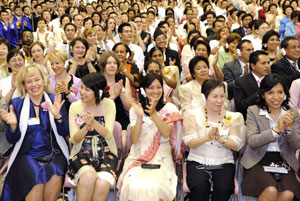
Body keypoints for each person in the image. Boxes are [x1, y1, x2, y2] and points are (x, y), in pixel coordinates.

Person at [0, 64, 69, 201]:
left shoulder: (54, 100)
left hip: (54, 153)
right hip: (27, 154)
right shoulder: (16, 104)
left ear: (43, 81)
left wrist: (58, 117)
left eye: (37, 80)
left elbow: (64, 133)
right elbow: (12, 139)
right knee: (34, 175)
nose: (34, 84)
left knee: (55, 172)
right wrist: (13, 126)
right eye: (29, 81)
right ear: (24, 85)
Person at [117, 73, 183, 201]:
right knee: (133, 185)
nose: (155, 91)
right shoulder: (136, 109)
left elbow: (166, 133)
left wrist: (154, 114)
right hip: (138, 153)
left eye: (158, 87)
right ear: (144, 90)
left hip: (161, 155)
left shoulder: (170, 108)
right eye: (151, 88)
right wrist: (141, 116)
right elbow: (135, 140)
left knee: (156, 186)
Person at [182, 78, 245, 201]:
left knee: (223, 188)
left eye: (222, 96)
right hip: (197, 160)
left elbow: (236, 145)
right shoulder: (193, 115)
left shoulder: (231, 117)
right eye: (214, 96)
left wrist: (221, 139)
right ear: (204, 97)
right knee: (199, 187)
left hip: (224, 161)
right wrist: (207, 137)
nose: (219, 101)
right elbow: (190, 142)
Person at [240, 73, 300, 201]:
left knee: (288, 193)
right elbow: (252, 141)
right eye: (270, 93)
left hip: (284, 160)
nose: (276, 97)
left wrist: (289, 129)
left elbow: (296, 145)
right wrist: (276, 130)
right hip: (258, 160)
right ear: (263, 94)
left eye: (280, 92)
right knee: (271, 190)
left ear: (285, 94)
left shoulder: (293, 113)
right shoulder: (253, 111)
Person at [68, 73, 118, 201]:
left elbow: (108, 134)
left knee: (102, 183)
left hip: (106, 153)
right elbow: (73, 139)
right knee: (88, 176)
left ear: (98, 92)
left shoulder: (109, 104)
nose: (82, 92)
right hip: (81, 153)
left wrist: (93, 122)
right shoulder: (75, 107)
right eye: (82, 88)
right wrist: (86, 128)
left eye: (87, 89)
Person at [98, 51, 131, 130]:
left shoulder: (123, 79)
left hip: (121, 119)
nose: (112, 65)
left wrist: (121, 93)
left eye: (115, 63)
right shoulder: (97, 81)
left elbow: (129, 108)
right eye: (109, 63)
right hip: (102, 121)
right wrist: (113, 96)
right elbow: (98, 109)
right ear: (103, 65)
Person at [234, 50, 271, 120]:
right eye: (263, 63)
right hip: (251, 118)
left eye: (268, 63)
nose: (267, 66)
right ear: (253, 66)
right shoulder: (241, 81)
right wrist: (259, 94)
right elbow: (240, 106)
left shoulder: (274, 79)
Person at [49, 50, 81, 115]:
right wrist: (55, 94)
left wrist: (67, 93)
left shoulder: (77, 81)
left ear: (65, 63)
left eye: (57, 63)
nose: (54, 67)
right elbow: (47, 104)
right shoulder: (48, 82)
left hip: (74, 117)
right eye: (52, 64)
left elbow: (80, 104)